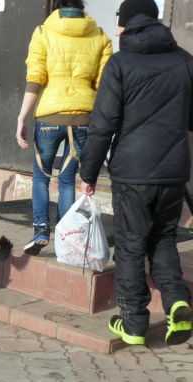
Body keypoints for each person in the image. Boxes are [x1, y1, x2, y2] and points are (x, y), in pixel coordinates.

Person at [80, 0, 193, 347]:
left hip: (133, 172)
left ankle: (133, 322)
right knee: (163, 238)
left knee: (130, 244)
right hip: (173, 172)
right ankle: (177, 303)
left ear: (127, 23)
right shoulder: (185, 62)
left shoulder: (120, 63)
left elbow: (102, 126)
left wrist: (89, 171)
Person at [16, 0, 112, 256]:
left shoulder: (43, 32)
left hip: (49, 116)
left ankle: (39, 232)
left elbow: (35, 78)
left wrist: (22, 117)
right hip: (83, 118)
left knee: (41, 176)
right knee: (68, 179)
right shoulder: (100, 36)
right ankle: (65, 235)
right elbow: (103, 85)